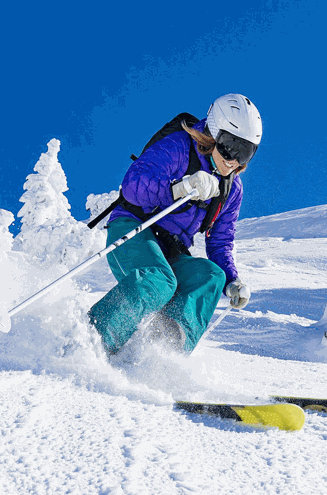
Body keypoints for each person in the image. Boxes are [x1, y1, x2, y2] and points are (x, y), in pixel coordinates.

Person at [87, 93, 262, 355]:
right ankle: (93, 341)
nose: (233, 159)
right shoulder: (179, 147)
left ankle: (162, 354)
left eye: (245, 152)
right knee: (159, 281)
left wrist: (232, 279)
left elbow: (220, 241)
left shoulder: (231, 188)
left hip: (171, 250)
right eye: (229, 146)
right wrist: (180, 188)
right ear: (214, 133)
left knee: (211, 276)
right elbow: (134, 185)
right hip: (135, 227)